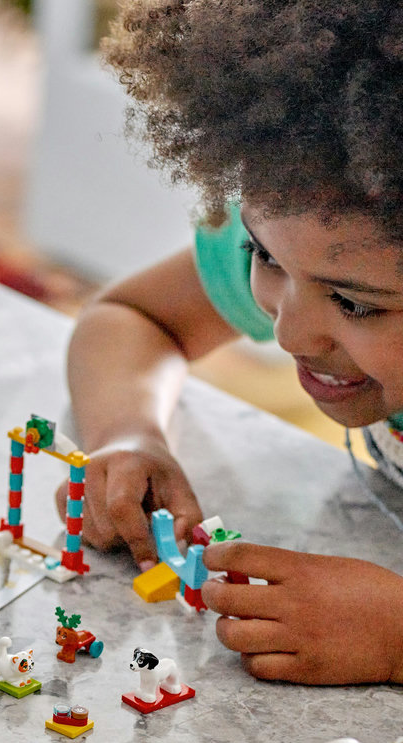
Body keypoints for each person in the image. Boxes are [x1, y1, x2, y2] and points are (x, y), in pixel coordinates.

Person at [67, 1, 403, 685]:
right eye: (262, 254)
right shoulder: (320, 231)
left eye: (355, 304)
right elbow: (131, 317)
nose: (288, 332)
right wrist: (131, 432)